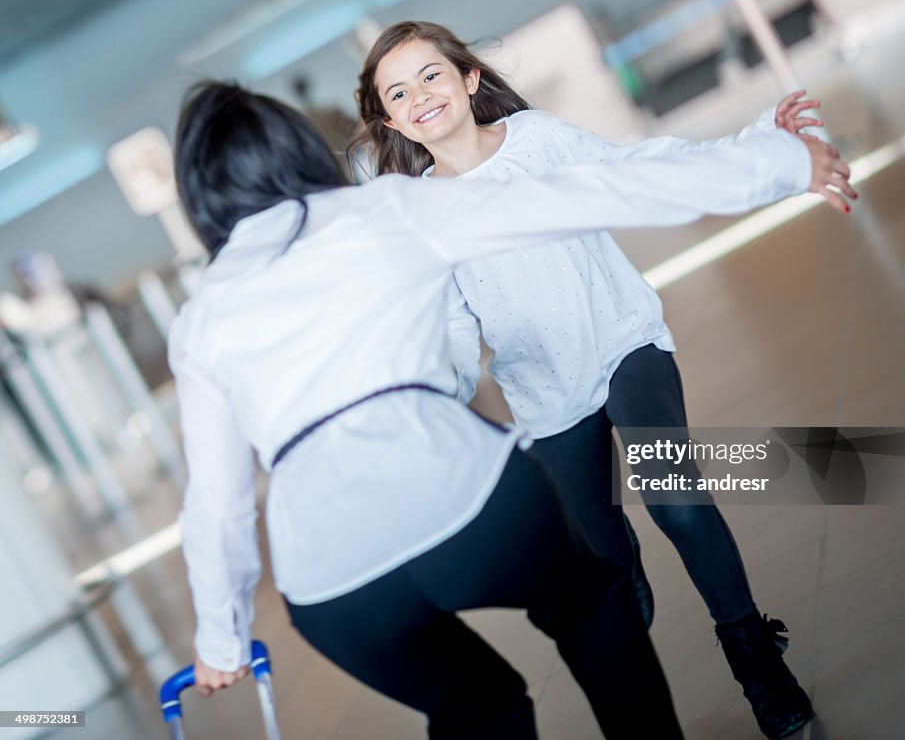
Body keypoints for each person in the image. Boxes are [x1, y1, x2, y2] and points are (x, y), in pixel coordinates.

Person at [172, 82, 850, 739]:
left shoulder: (200, 319)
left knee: (479, 711)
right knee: (592, 604)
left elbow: (216, 506)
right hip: (461, 502)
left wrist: (220, 639)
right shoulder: (385, 210)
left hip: (332, 583)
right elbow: (590, 194)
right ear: (300, 149)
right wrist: (778, 163)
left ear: (198, 195)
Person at [353, 21, 855, 739]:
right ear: (389, 120)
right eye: (398, 93)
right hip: (547, 402)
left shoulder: (538, 141)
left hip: (625, 346)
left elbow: (640, 169)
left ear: (467, 79)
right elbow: (457, 335)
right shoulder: (422, 217)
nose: (420, 96)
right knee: (608, 578)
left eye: (431, 75)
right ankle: (628, 584)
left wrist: (758, 145)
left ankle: (758, 665)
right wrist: (432, 399)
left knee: (676, 501)